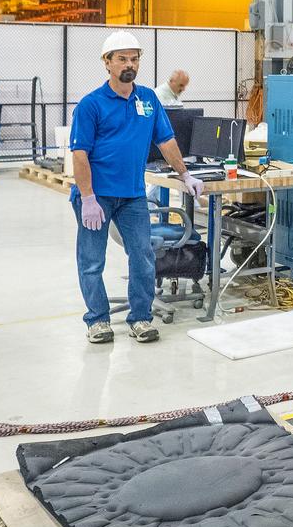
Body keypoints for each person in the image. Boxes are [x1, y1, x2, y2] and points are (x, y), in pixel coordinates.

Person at [70, 32, 204, 344]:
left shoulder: (148, 99)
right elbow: (79, 154)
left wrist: (185, 175)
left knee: (143, 256)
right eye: (122, 59)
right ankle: (97, 320)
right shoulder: (91, 105)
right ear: (107, 63)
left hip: (132, 195)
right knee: (92, 261)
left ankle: (141, 318)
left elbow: (166, 141)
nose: (129, 64)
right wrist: (88, 197)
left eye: (134, 58)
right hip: (97, 196)